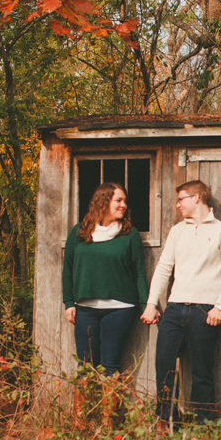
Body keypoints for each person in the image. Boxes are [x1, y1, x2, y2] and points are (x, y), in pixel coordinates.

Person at [141, 180, 221, 427]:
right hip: (174, 309)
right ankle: (166, 423)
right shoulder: (177, 231)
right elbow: (164, 268)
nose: (178, 205)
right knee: (163, 366)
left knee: (202, 372)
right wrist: (152, 303)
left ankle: (202, 426)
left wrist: (220, 306)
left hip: (205, 310)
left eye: (181, 199)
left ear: (197, 198)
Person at [62, 182, 149, 427]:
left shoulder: (129, 234)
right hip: (85, 308)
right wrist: (69, 302)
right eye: (118, 200)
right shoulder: (79, 232)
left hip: (120, 308)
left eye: (124, 201)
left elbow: (138, 273)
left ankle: (107, 424)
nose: (123, 205)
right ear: (103, 201)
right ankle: (80, 422)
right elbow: (67, 269)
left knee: (111, 365)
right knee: (85, 365)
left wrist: (146, 305)